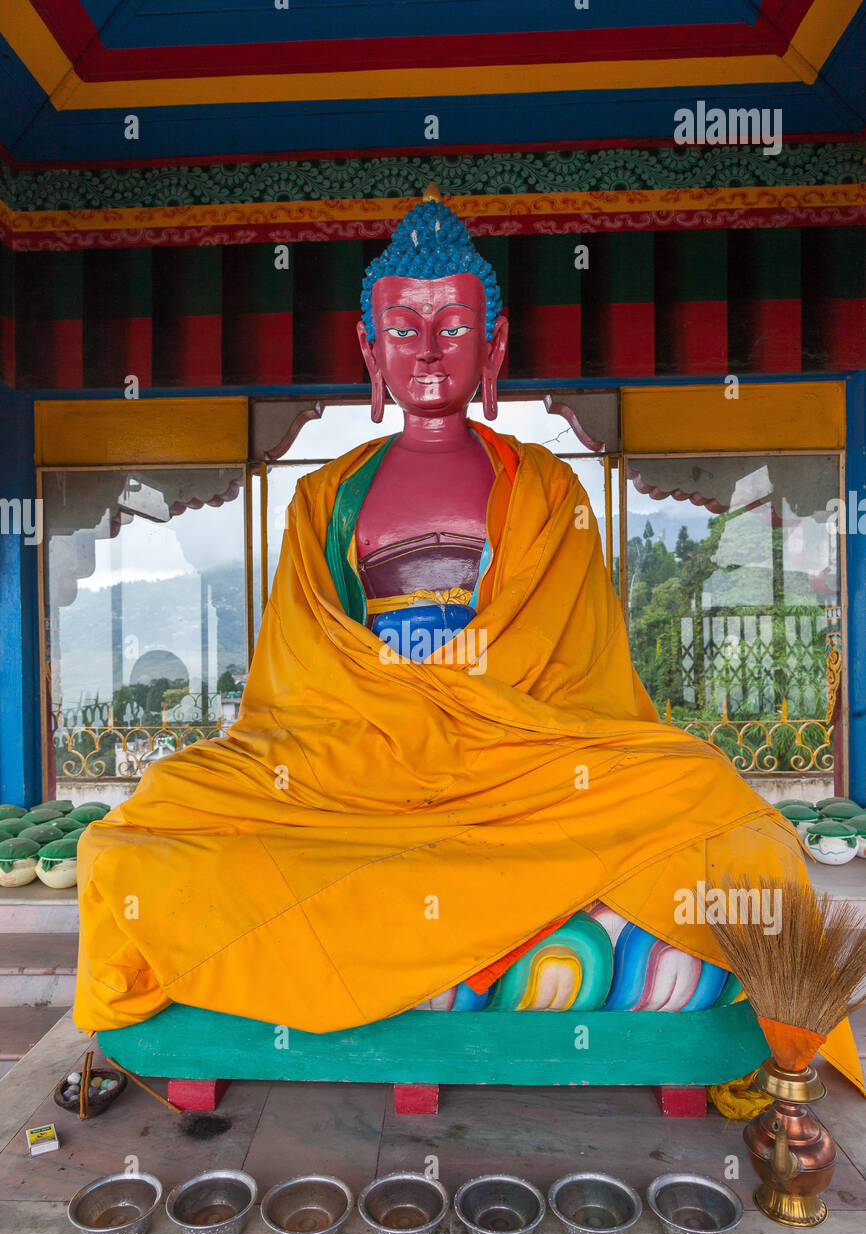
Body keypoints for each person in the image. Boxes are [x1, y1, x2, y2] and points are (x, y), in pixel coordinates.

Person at [72, 192, 861, 1093]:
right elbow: (298, 687)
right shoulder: (323, 499)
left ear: (494, 347)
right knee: (138, 831)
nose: (429, 346)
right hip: (352, 758)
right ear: (370, 349)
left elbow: (580, 677)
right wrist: (389, 710)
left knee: (723, 814)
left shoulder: (546, 489)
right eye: (403, 326)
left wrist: (481, 715)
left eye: (453, 324)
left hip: (519, 754)